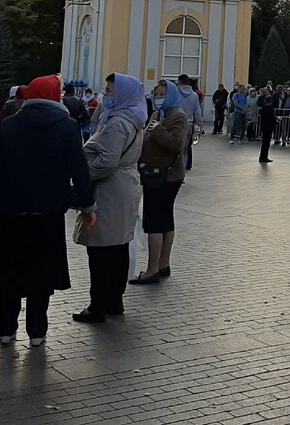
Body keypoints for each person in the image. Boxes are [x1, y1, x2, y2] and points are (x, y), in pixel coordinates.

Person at [0, 75, 95, 346]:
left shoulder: (9, 125)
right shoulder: (67, 128)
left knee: (10, 272)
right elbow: (79, 169)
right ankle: (37, 332)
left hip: (13, 212)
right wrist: (88, 205)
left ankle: (6, 330)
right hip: (49, 214)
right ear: (55, 97)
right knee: (42, 274)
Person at [73, 73, 145, 324]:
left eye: (110, 90)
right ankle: (115, 300)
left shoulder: (117, 123)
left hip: (110, 190)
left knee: (101, 248)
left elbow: (107, 161)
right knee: (119, 246)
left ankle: (98, 305)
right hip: (125, 186)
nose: (105, 95)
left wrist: (82, 176)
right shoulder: (134, 118)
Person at [129, 81, 189, 285]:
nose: (158, 97)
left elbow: (177, 144)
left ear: (171, 95)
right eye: (156, 94)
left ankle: (153, 269)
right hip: (153, 172)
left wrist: (157, 131)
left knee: (155, 221)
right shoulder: (158, 114)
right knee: (164, 219)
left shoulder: (178, 116)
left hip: (166, 176)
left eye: (162, 94)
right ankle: (163, 265)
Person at [177, 75, 202, 170]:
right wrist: (199, 125)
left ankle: (176, 170)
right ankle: (183, 169)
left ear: (179, 81)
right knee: (185, 150)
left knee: (175, 148)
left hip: (177, 123)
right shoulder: (194, 95)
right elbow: (197, 112)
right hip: (189, 124)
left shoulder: (175, 93)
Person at [257, 87, 277, 162]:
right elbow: (271, 118)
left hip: (264, 126)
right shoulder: (269, 109)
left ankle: (263, 156)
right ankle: (263, 157)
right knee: (266, 142)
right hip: (268, 127)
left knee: (264, 142)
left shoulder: (263, 109)